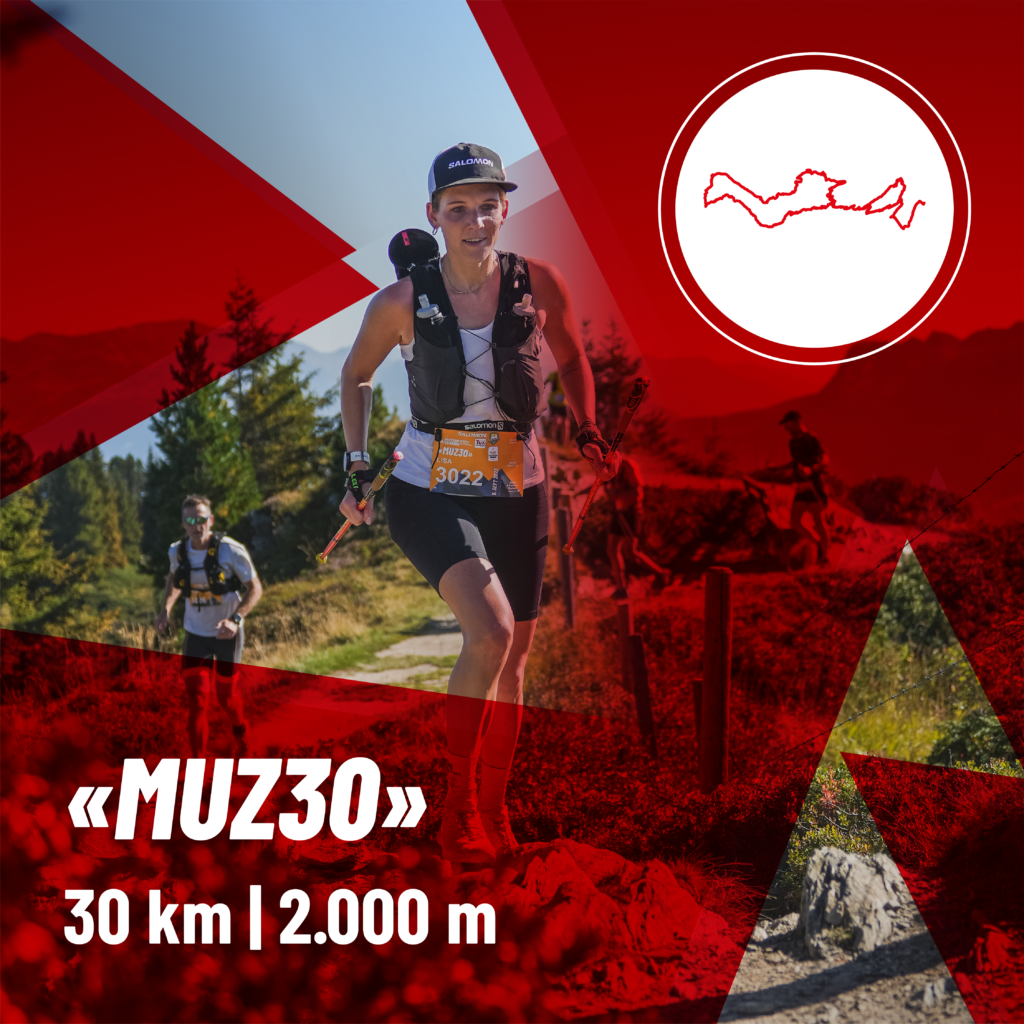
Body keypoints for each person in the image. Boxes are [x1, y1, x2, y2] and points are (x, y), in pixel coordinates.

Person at [338, 143, 619, 864]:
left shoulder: (540, 282)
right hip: (428, 489)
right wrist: (358, 462)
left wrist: (588, 430)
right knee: (490, 631)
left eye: (485, 205)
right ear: (433, 217)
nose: (473, 219)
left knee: (517, 660)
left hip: (516, 487)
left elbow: (573, 353)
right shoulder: (401, 300)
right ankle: (456, 809)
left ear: (504, 209)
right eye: (456, 208)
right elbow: (358, 377)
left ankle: (496, 813)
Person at [155, 494, 263, 758]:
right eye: (191, 520)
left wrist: (236, 620)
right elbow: (174, 581)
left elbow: (255, 588)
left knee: (226, 699)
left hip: (227, 634)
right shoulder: (177, 551)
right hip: (196, 634)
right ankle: (198, 767)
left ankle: (240, 731)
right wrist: (165, 610)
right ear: (183, 523)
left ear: (210, 520)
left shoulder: (231, 549)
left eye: (202, 519)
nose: (197, 525)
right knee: (198, 702)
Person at [605, 454, 671, 600]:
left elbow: (637, 493)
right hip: (618, 512)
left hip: (631, 512)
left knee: (631, 553)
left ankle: (660, 573)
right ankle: (621, 588)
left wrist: (619, 497)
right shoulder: (604, 464)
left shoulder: (627, 465)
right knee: (612, 550)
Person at [779, 410, 830, 566]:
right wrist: (777, 468)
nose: (786, 429)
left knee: (819, 520)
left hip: (814, 484)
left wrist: (811, 470)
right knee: (795, 520)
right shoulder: (792, 442)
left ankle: (825, 556)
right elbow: (795, 462)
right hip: (801, 485)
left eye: (788, 425)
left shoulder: (812, 438)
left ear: (795, 423)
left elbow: (825, 459)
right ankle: (818, 543)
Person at [544, 369, 571, 447]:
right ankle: (551, 441)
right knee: (556, 422)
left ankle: (564, 445)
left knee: (565, 423)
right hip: (554, 402)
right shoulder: (553, 374)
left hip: (564, 403)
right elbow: (543, 384)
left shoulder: (568, 375)